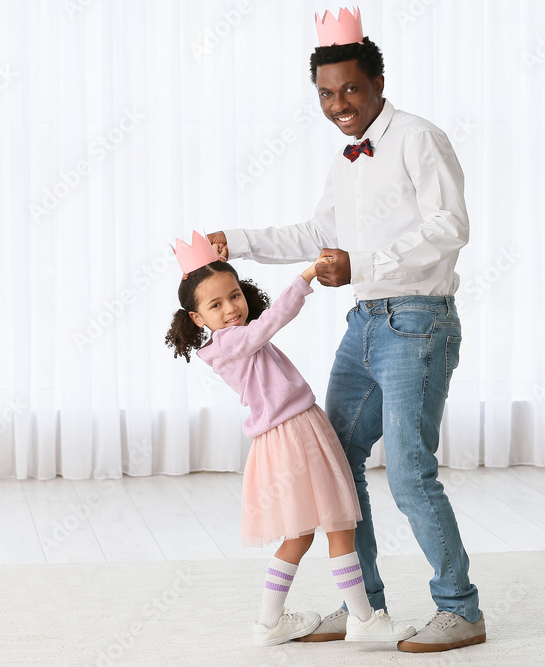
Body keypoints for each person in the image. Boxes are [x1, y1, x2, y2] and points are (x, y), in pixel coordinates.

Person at [208, 7, 485, 654]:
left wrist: (360, 264)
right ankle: (367, 608)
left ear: (379, 82)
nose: (339, 104)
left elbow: (451, 226)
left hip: (417, 322)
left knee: (412, 471)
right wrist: (238, 240)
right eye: (327, 94)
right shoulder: (347, 161)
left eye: (351, 90)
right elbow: (316, 235)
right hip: (364, 322)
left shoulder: (419, 138)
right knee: (337, 462)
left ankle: (460, 608)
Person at [165, 231, 416, 648]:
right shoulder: (232, 343)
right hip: (293, 434)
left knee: (304, 534)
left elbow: (260, 326)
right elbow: (271, 322)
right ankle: (362, 618)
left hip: (294, 432)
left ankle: (271, 622)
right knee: (338, 523)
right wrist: (305, 278)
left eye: (234, 296)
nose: (230, 309)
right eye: (215, 305)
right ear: (197, 319)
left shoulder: (237, 338)